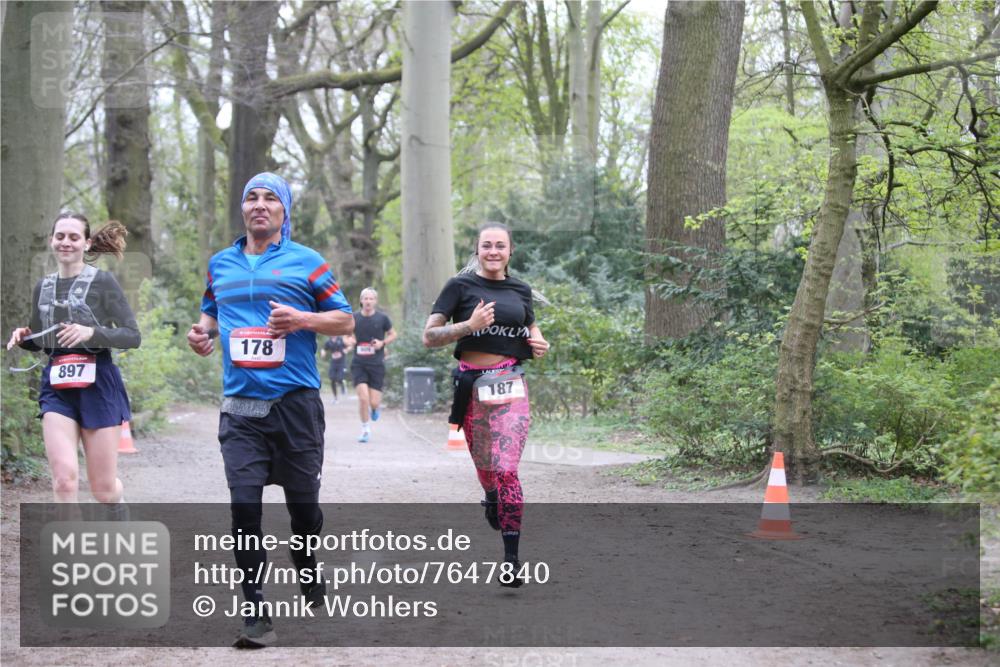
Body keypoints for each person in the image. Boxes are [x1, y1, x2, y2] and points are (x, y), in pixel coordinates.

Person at [186, 172, 354, 648]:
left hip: (295, 405)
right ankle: (255, 609)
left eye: (270, 199)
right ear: (243, 209)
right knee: (244, 506)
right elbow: (209, 313)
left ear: (283, 210)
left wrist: (302, 319)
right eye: (251, 198)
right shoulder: (220, 264)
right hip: (240, 408)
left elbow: (345, 318)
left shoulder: (309, 263)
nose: (260, 205)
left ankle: (305, 558)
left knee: (304, 509)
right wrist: (200, 334)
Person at [422, 222, 549, 587]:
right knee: (487, 470)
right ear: (476, 250)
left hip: (511, 385)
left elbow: (531, 326)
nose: (493, 251)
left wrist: (539, 342)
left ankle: (511, 560)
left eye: (500, 246)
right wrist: (468, 325)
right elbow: (429, 337)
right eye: (486, 245)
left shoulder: (520, 290)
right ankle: (491, 495)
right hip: (472, 387)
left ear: (511, 251)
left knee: (508, 469)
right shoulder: (459, 286)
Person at [6, 214, 139, 518]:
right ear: (52, 240)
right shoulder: (44, 286)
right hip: (58, 388)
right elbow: (44, 340)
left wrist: (92, 332)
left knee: (103, 489)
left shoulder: (103, 282)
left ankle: (118, 509)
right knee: (65, 481)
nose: (66, 242)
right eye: (61, 236)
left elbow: (132, 336)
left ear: (87, 243)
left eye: (74, 237)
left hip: (99, 385)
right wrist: (25, 336)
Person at [344, 287, 396, 443]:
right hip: (359, 363)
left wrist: (382, 343)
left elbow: (393, 334)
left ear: (375, 301)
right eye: (365, 298)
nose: (368, 301)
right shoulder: (353, 318)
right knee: (363, 399)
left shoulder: (382, 318)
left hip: (376, 364)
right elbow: (346, 336)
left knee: (373, 402)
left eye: (371, 298)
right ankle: (365, 429)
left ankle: (375, 408)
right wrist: (350, 340)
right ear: (361, 301)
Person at [320, 335, 348, 402]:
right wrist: (323, 353)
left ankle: (343, 384)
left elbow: (350, 345)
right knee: (332, 379)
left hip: (341, 362)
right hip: (333, 362)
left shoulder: (341, 339)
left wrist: (345, 350)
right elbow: (324, 348)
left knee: (339, 378)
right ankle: (335, 398)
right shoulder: (328, 341)